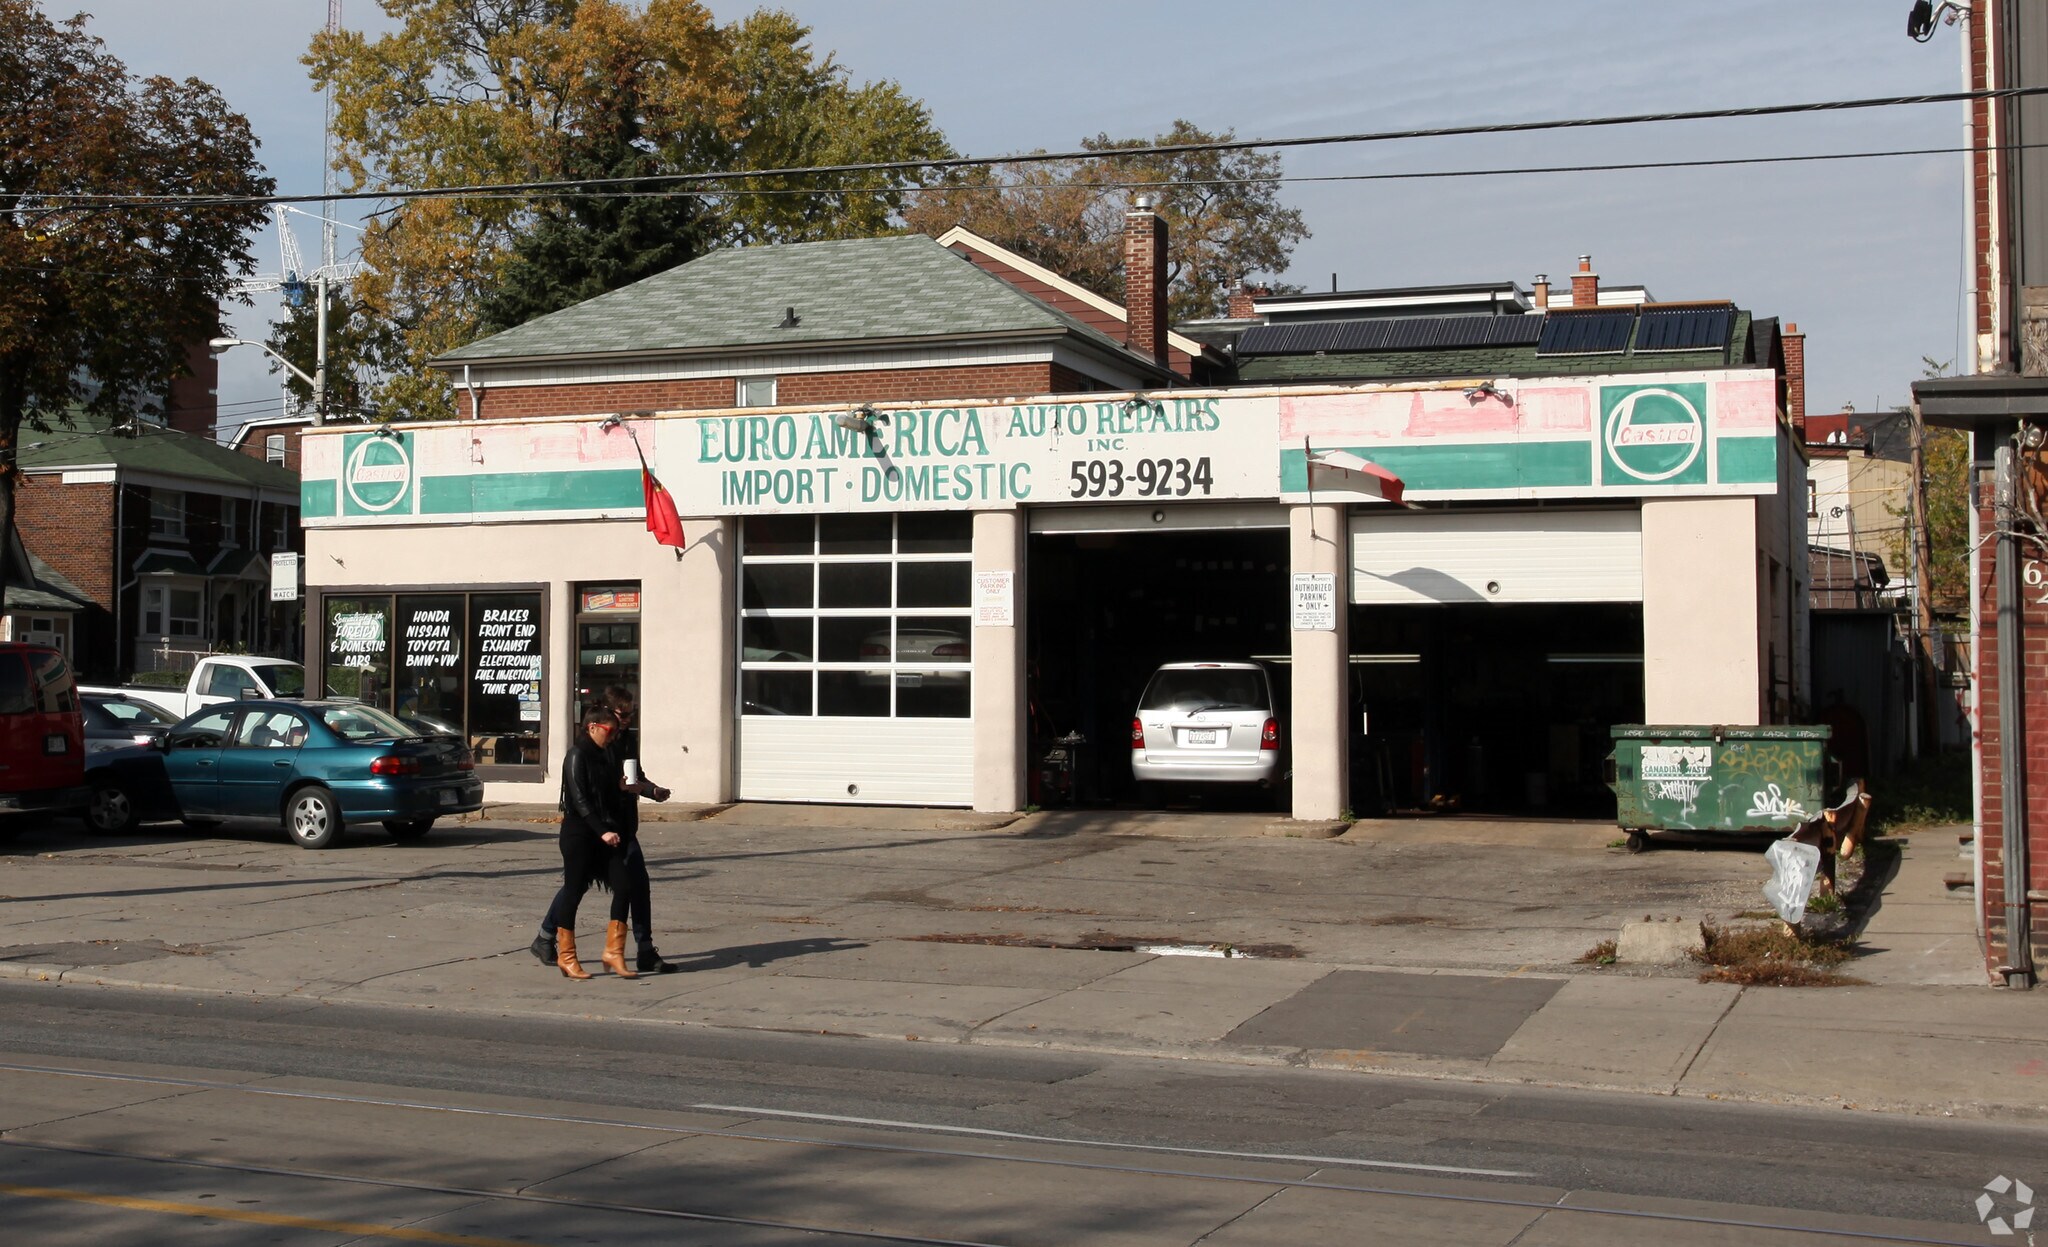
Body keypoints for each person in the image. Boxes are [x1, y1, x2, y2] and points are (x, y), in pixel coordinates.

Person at [530, 687, 679, 973]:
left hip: (621, 825)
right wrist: (603, 824)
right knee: (578, 883)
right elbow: (583, 795)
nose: (627, 720)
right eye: (624, 714)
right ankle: (548, 936)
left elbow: (634, 777)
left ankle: (643, 949)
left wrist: (652, 790)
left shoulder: (626, 740)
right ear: (605, 715)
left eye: (631, 714)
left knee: (635, 883)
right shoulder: (589, 747)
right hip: (595, 828)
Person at [548, 705, 637, 980]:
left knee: (624, 886)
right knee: (573, 891)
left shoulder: (607, 754)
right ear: (593, 727)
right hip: (580, 834)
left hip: (604, 834)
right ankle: (567, 956)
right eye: (609, 731)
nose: (612, 737)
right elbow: (579, 800)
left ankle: (614, 952)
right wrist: (602, 832)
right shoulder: (576, 755)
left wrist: (621, 788)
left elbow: (608, 793)